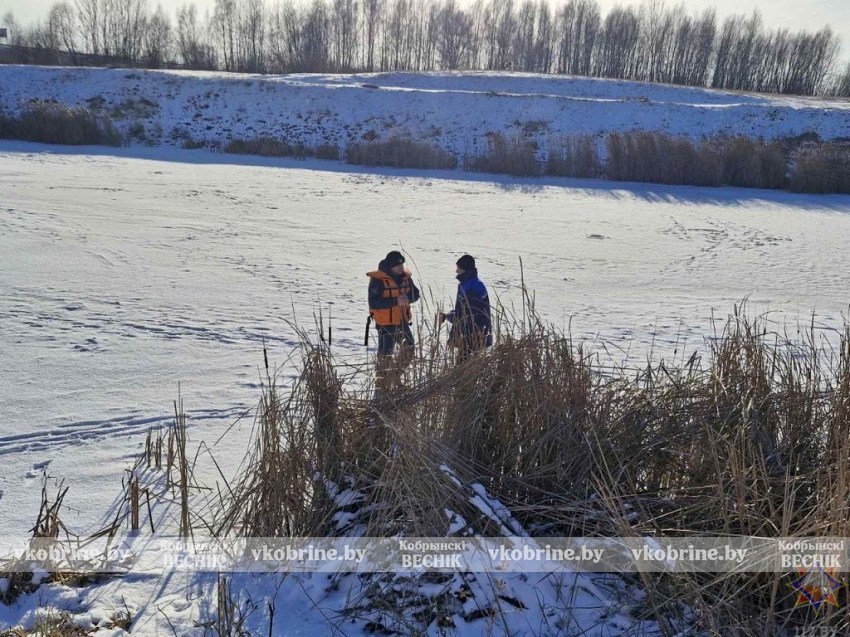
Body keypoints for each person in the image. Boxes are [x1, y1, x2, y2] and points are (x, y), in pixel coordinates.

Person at [367, 250, 420, 391]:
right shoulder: (378, 280)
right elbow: (374, 303)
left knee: (409, 348)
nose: (401, 268)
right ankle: (382, 387)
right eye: (398, 266)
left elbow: (416, 294)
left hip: (401, 322)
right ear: (390, 266)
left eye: (402, 265)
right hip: (385, 324)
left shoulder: (406, 278)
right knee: (385, 356)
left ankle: (395, 376)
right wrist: (396, 301)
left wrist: (408, 298)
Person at [439, 254, 492, 361]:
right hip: (472, 334)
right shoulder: (470, 284)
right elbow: (463, 311)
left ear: (464, 269)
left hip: (473, 336)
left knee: (463, 367)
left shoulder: (471, 288)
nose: (456, 271)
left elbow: (468, 316)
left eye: (458, 268)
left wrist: (447, 317)